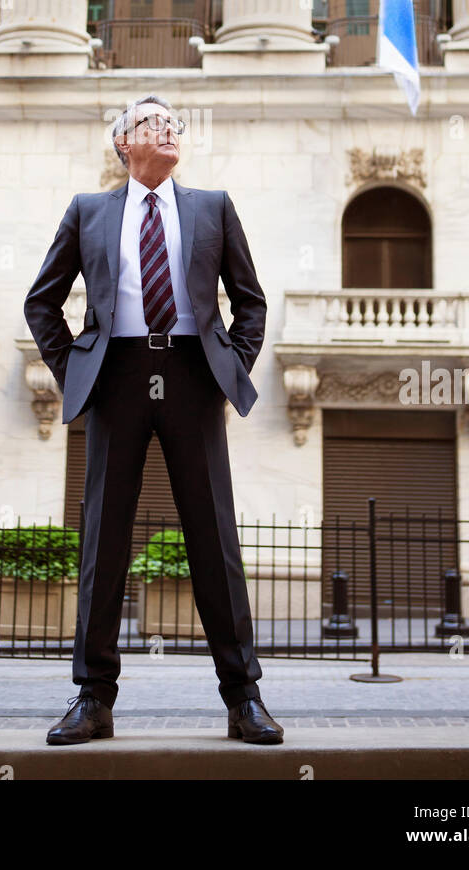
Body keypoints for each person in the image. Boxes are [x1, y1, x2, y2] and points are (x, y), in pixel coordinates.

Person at [24, 93, 283, 746]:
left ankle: (243, 697)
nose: (166, 128)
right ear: (123, 142)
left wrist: (228, 368)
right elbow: (41, 303)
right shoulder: (89, 212)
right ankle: (92, 699)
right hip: (119, 377)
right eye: (150, 121)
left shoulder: (212, 207)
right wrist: (77, 371)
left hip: (194, 376)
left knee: (213, 539)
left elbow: (250, 302)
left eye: (172, 122)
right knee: (103, 540)